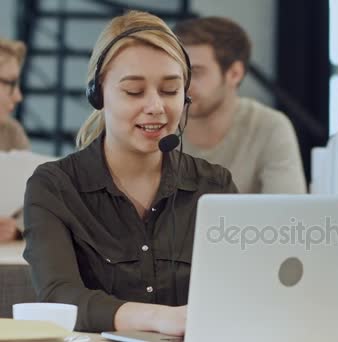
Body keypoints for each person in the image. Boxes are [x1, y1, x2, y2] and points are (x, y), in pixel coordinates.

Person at [22, 11, 237, 334]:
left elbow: (240, 291)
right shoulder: (54, 187)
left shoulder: (214, 185)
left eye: (170, 90)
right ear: (98, 94)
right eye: (134, 92)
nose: (156, 107)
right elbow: (59, 298)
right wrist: (158, 317)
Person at [173, 17, 307, 194]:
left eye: (196, 72)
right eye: (177, 71)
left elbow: (288, 213)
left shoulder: (269, 126)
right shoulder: (158, 121)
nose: (183, 84)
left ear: (234, 74)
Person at [0, 37, 30, 242]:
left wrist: (16, 229)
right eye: (11, 83)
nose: (18, 96)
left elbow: (34, 205)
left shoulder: (12, 133)